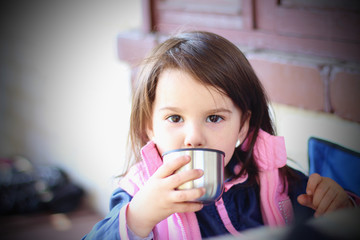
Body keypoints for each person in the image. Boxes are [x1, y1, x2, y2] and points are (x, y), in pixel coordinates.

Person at [83, 31, 359, 239]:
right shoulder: (136, 194)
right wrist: (138, 217)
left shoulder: (275, 181)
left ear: (242, 126)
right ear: (149, 126)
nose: (193, 137)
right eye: (175, 118)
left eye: (214, 118)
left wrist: (342, 206)